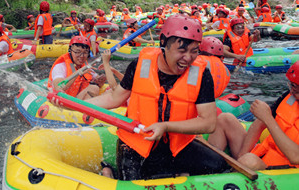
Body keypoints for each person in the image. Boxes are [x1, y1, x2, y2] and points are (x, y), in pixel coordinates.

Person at [77, 15, 229, 180]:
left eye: (194, 51)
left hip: (176, 145)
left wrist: (165, 126)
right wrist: (75, 104)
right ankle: (110, 173)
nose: (188, 58)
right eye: (182, 50)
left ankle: (176, 173)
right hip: (136, 145)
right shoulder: (140, 65)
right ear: (163, 43)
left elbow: (209, 123)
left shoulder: (201, 74)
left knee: (219, 167)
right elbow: (114, 99)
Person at [208, 61, 299, 169]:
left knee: (248, 161)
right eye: (291, 85)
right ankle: (211, 169)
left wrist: (268, 119)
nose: (292, 90)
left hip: (287, 170)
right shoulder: (288, 97)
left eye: (295, 86)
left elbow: (295, 157)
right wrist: (241, 156)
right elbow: (260, 122)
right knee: (225, 119)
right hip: (264, 154)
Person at [47, 36, 100, 100]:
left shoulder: (85, 65)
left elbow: (97, 78)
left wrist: (100, 80)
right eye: (77, 52)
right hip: (62, 100)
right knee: (93, 88)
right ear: (70, 51)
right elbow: (58, 87)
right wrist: (78, 73)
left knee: (95, 88)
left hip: (76, 98)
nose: (82, 56)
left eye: (85, 52)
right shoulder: (60, 66)